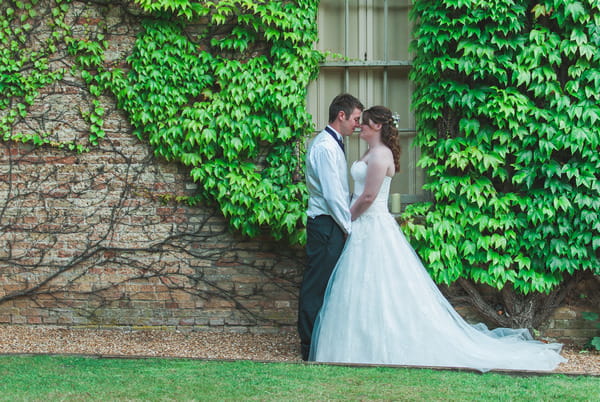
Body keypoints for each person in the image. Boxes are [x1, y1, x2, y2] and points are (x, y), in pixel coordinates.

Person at [308, 106, 566, 372]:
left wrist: (347, 219)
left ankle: (380, 346)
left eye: (365, 122)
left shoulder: (380, 155)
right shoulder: (370, 152)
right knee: (358, 289)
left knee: (377, 286)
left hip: (371, 226)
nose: (360, 126)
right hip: (363, 226)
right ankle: (358, 344)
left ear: (377, 127)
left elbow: (369, 197)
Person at [298, 93, 364, 361]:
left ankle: (321, 340)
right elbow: (333, 194)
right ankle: (309, 346)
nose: (357, 125)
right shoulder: (325, 146)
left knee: (327, 285)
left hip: (330, 223)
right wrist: (348, 226)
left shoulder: (332, 143)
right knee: (316, 285)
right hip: (326, 224)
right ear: (341, 115)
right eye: (356, 119)